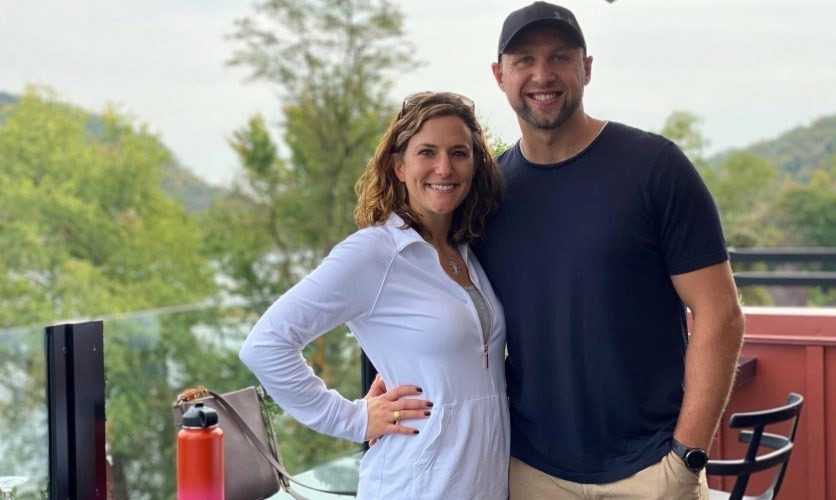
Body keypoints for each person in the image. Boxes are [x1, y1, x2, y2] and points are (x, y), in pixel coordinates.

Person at [474, 2, 746, 499]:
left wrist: (686, 457)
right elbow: (442, 294)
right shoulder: (486, 193)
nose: (542, 74)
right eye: (524, 61)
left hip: (651, 471)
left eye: (559, 57)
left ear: (586, 68)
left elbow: (720, 313)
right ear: (500, 75)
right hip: (529, 470)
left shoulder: (654, 168)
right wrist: (392, 369)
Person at [239, 92, 509, 499]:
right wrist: (353, 419)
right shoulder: (374, 253)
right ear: (399, 166)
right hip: (414, 487)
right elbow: (265, 345)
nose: (444, 167)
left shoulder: (467, 253)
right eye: (427, 152)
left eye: (459, 152)